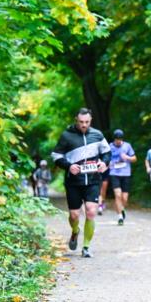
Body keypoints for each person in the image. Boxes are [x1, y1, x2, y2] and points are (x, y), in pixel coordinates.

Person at [50, 108, 111, 258]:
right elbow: (56, 156)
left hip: (93, 180)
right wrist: (68, 166)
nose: (84, 125)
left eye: (87, 122)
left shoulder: (97, 135)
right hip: (73, 182)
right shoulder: (66, 136)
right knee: (74, 215)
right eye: (81, 122)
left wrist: (104, 163)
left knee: (91, 211)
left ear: (91, 121)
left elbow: (107, 152)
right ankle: (75, 230)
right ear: (76, 120)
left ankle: (86, 247)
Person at [108, 129, 136, 225]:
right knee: (118, 195)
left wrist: (127, 157)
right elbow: (105, 158)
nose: (118, 141)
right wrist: (108, 163)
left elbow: (134, 158)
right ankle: (120, 217)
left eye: (120, 139)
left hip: (126, 174)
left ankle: (122, 209)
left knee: (125, 198)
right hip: (114, 173)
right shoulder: (110, 147)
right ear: (114, 139)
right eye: (117, 139)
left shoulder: (127, 146)